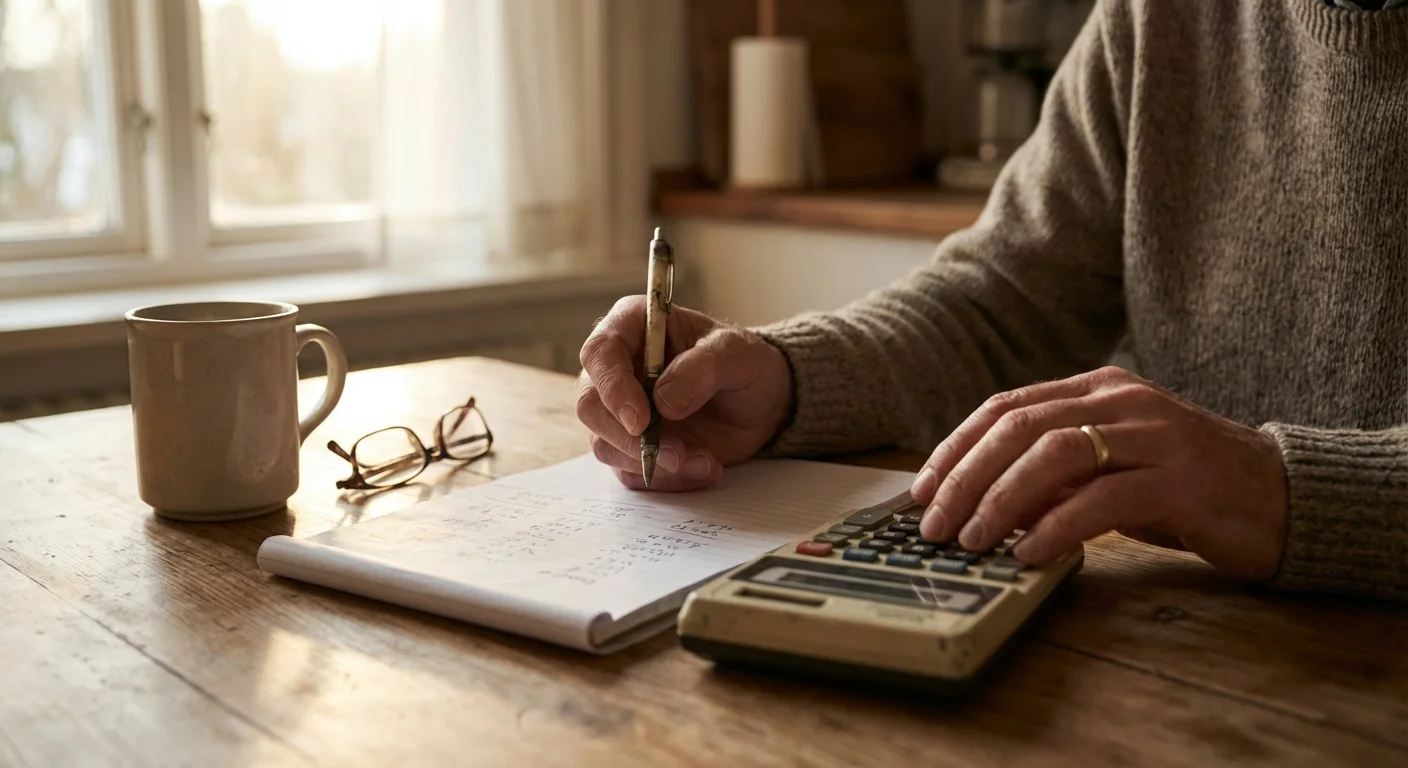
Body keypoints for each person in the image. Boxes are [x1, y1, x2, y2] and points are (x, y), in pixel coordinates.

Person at [576, 0, 1408, 601]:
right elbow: (999, 302)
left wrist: (1279, 488)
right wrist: (787, 377)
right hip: (1171, 646)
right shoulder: (1159, 21)